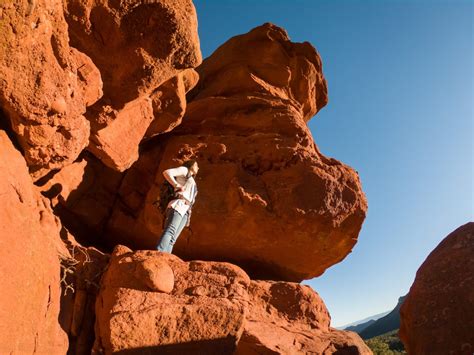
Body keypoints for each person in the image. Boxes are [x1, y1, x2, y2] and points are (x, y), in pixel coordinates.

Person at [156, 159, 199, 253]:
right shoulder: (185, 170)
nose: (198, 167)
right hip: (179, 204)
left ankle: (166, 258)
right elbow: (167, 172)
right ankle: (159, 252)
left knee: (173, 239)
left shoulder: (191, 179)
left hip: (186, 210)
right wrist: (176, 185)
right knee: (170, 230)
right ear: (191, 165)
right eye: (196, 165)